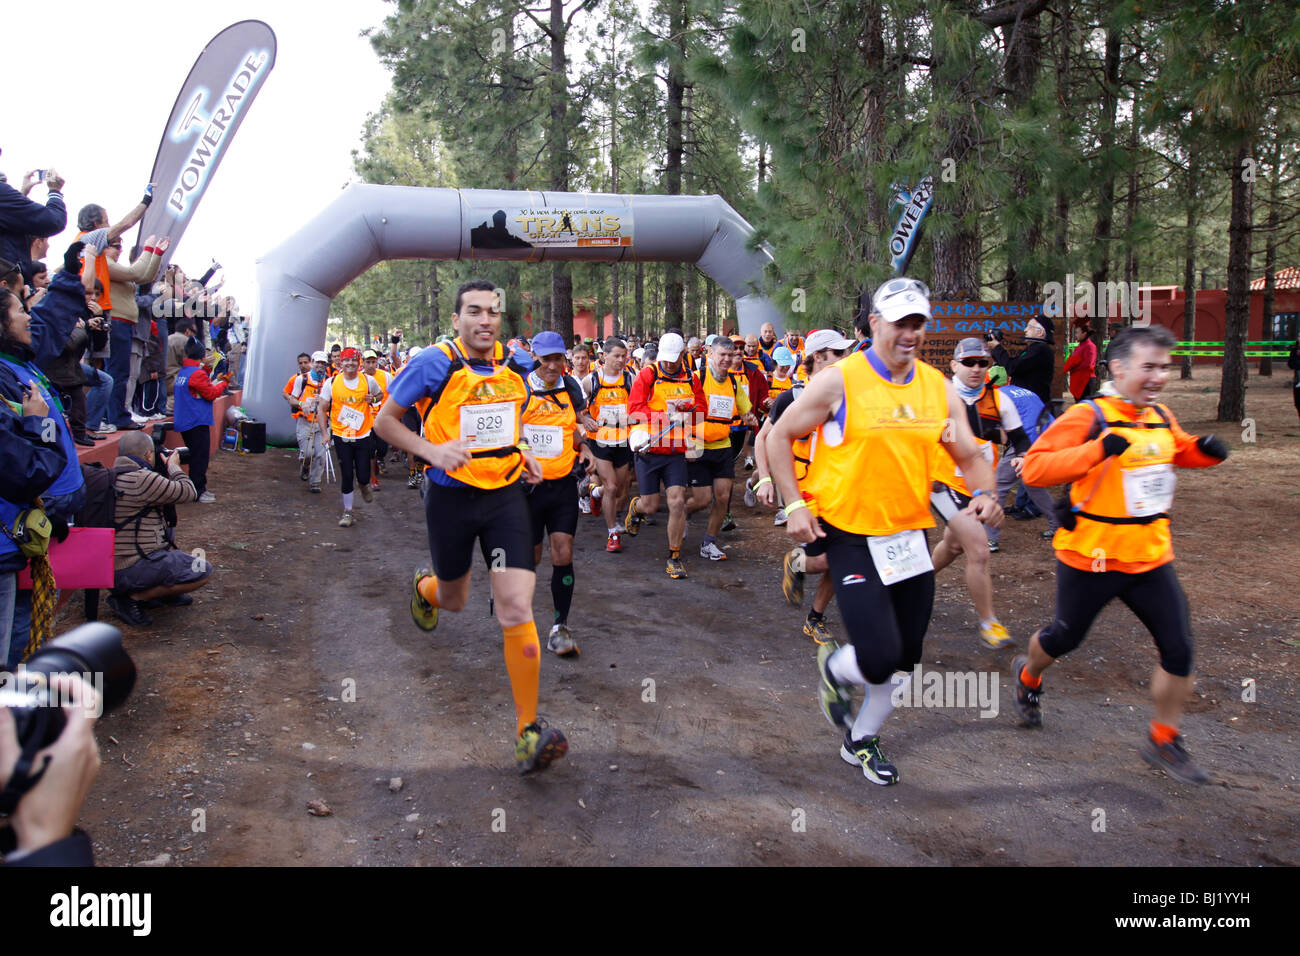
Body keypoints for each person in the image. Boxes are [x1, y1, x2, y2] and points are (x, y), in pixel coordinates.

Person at [768, 277, 1002, 786]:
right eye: (900, 322)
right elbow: (781, 435)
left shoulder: (937, 388)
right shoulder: (840, 381)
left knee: (907, 660)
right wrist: (792, 505)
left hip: (908, 537)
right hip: (850, 535)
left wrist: (986, 493)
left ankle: (861, 739)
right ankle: (837, 670)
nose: (910, 333)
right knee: (877, 657)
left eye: (918, 323)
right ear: (875, 323)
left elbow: (968, 454)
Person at [1011, 324, 1229, 785]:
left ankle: (1164, 738)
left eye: (1164, 368)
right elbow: (1035, 467)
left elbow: (1173, 451)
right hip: (1091, 557)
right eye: (1149, 367)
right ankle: (1029, 676)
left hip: (1150, 558)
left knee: (1179, 649)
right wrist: (1096, 449)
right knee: (1063, 639)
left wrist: (1203, 451)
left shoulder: (1160, 417)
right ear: (1118, 368)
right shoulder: (1090, 415)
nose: (1158, 377)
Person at [373, 280, 567, 774]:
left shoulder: (518, 364)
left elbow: (507, 419)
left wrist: (521, 453)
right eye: (475, 312)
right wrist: (431, 451)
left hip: (504, 497)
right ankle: (424, 587)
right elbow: (384, 422)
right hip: (451, 499)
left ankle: (528, 730)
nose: (485, 321)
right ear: (457, 319)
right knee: (455, 599)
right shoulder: (434, 363)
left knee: (517, 605)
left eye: (493, 313)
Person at [929, 338, 1032, 649]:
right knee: (979, 549)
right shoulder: (939, 397)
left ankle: (915, 582)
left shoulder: (1000, 400)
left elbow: (1021, 440)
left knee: (953, 545)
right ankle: (990, 623)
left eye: (982, 363)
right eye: (969, 362)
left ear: (990, 366)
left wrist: (1022, 455)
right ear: (954, 365)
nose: (976, 369)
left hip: (979, 487)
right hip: (943, 484)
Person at [752, 337, 852, 644]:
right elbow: (764, 438)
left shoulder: (850, 394)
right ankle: (797, 562)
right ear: (818, 358)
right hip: (802, 487)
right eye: (839, 353)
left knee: (841, 556)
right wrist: (765, 478)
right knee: (826, 559)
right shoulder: (792, 396)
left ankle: (815, 617)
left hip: (839, 487)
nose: (847, 357)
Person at [521, 331, 597, 656]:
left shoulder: (570, 388)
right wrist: (524, 452)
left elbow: (573, 428)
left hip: (563, 483)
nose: (553, 365)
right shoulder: (520, 389)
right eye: (547, 359)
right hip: (527, 487)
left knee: (562, 553)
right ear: (536, 357)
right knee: (532, 557)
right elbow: (510, 431)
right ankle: (519, 620)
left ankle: (559, 626)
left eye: (558, 359)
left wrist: (585, 447)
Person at [106, 430, 213, 626]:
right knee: (201, 570)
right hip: (131, 569)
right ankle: (134, 598)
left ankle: (161, 593)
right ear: (148, 455)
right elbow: (189, 492)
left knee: (169, 544)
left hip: (112, 567)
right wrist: (173, 467)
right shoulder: (142, 479)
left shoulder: (112, 475)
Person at [625, 332, 705, 580]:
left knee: (677, 501)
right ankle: (635, 509)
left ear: (683, 355)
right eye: (666, 359)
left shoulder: (691, 378)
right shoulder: (648, 375)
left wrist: (687, 410)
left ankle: (674, 556)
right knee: (650, 506)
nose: (669, 364)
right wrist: (665, 415)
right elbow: (634, 409)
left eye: (674, 359)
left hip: (676, 450)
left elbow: (702, 407)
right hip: (650, 448)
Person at [688, 336, 755, 561]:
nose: (727, 359)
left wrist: (750, 417)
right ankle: (682, 515)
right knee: (702, 500)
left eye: (730, 355)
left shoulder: (733, 383)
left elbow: (745, 410)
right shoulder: (697, 378)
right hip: (697, 446)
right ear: (710, 354)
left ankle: (709, 543)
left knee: (723, 498)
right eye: (722, 355)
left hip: (723, 446)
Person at [316, 347, 383, 527]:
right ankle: (347, 512)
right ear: (340, 363)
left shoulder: (368, 381)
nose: (350, 363)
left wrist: (373, 400)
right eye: (346, 360)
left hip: (363, 434)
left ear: (358, 362)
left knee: (362, 474)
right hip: (340, 434)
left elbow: (380, 395)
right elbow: (322, 409)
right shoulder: (331, 382)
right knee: (346, 474)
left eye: (353, 360)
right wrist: (324, 434)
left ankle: (363, 485)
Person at [583, 336, 635, 552]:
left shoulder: (631, 379)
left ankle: (595, 494)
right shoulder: (591, 380)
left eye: (624, 356)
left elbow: (638, 405)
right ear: (604, 356)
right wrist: (585, 418)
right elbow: (577, 408)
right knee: (612, 486)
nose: (621, 360)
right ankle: (612, 533)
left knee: (620, 488)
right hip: (600, 440)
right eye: (616, 356)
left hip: (623, 440)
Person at [173, 340, 229, 504]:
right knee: (200, 458)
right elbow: (210, 393)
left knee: (196, 456)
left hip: (186, 420)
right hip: (196, 421)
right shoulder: (196, 374)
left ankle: (195, 489)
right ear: (201, 355)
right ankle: (198, 491)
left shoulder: (184, 372)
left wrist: (207, 370)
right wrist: (223, 383)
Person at [286, 351, 329, 492]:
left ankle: (315, 482)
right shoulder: (302, 379)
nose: (320, 366)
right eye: (317, 363)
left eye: (323, 363)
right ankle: (305, 465)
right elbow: (291, 398)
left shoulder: (329, 381)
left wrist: (323, 403)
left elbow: (334, 402)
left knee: (320, 454)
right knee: (307, 454)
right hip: (305, 422)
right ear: (313, 363)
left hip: (322, 424)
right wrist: (301, 404)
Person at [990, 316, 1055, 408]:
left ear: (1040, 332)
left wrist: (997, 348)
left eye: (1029, 326)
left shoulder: (1040, 349)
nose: (1025, 330)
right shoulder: (1035, 349)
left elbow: (1013, 367)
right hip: (1030, 402)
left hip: (1033, 405)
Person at [1064, 317, 1098, 402]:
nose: (1076, 335)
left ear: (1084, 333)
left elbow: (1088, 363)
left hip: (1085, 381)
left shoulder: (1090, 346)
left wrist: (1073, 366)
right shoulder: (1080, 346)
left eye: (1077, 333)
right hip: (1079, 380)